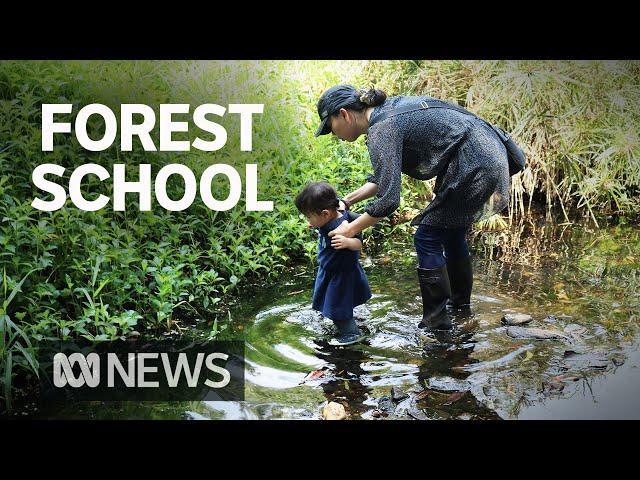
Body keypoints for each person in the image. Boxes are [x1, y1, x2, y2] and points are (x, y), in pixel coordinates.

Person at [314, 84, 511, 330]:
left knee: (427, 237)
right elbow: (383, 179)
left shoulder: (382, 129)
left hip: (474, 164)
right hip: (487, 156)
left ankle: (436, 323)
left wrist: (350, 230)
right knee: (451, 232)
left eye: (331, 127)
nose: (334, 134)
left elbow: (388, 201)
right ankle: (460, 309)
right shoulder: (387, 113)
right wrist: (348, 201)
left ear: (344, 114)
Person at [295, 181, 372, 346]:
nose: (308, 220)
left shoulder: (343, 226)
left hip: (341, 277)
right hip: (329, 270)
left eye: (309, 216)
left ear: (325, 213)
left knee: (339, 312)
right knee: (335, 304)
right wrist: (315, 223)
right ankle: (345, 320)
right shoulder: (330, 217)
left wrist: (347, 242)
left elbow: (359, 242)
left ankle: (352, 334)